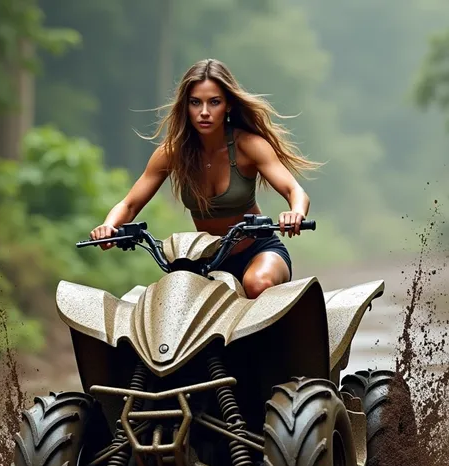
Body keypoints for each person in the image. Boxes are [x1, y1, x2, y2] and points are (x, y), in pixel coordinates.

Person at [90, 58, 318, 299]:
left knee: (257, 284)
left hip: (259, 252)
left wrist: (295, 213)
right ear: (186, 107)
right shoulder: (172, 152)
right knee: (171, 305)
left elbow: (295, 191)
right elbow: (130, 203)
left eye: (214, 102)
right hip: (206, 262)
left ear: (228, 105)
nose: (205, 112)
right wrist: (109, 226)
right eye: (196, 103)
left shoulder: (249, 146)